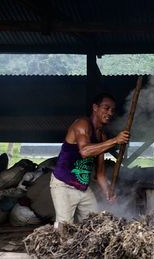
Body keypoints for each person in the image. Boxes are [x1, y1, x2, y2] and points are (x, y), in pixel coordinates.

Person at [50, 93, 129, 224]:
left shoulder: (101, 136)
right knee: (64, 226)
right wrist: (115, 140)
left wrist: (108, 191)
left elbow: (100, 174)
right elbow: (85, 151)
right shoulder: (82, 124)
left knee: (93, 223)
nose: (110, 112)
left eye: (112, 110)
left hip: (82, 187)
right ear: (95, 107)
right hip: (63, 185)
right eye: (106, 108)